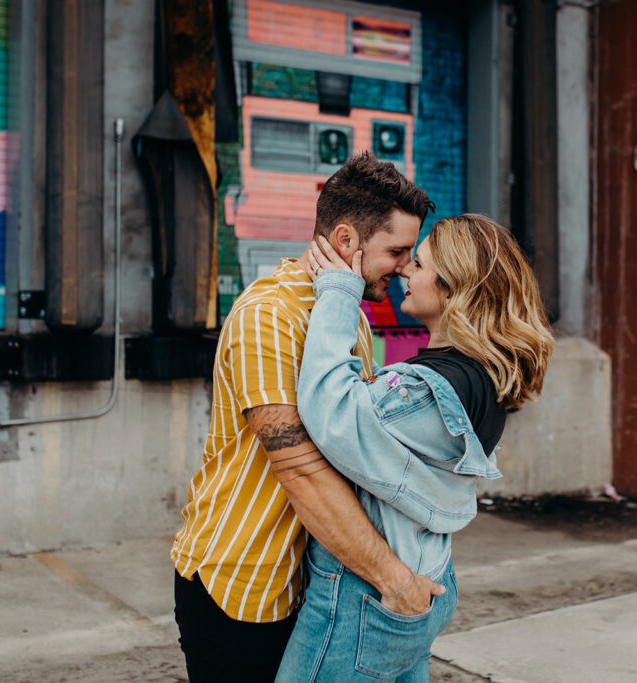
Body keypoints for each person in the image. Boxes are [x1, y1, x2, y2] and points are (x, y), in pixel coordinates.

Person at [170, 152, 442, 682]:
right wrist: (394, 578)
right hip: (240, 585)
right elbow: (301, 470)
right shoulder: (269, 316)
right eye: (397, 251)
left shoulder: (348, 321)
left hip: (308, 582)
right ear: (346, 242)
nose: (408, 267)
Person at [276, 214, 555, 681]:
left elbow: (330, 411)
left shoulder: (425, 389)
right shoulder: (481, 376)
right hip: (419, 582)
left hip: (365, 600)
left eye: (419, 264)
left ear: (452, 288)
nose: (405, 270)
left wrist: (339, 292)